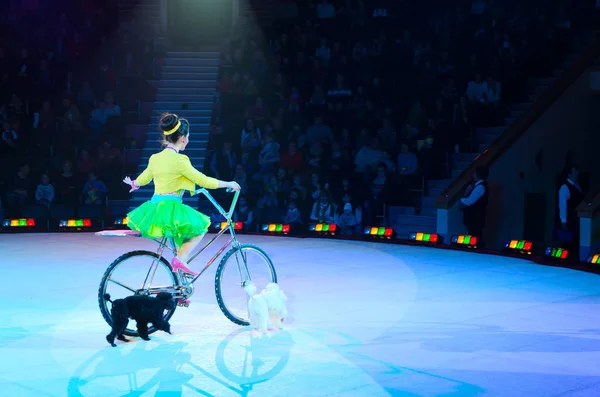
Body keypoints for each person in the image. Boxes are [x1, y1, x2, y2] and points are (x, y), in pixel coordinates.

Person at [123, 113, 240, 304]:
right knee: (200, 228)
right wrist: (229, 183)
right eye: (188, 138)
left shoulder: (155, 158)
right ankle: (180, 265)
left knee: (180, 246)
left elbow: (144, 178)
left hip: (155, 208)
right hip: (172, 209)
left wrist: (134, 183)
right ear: (183, 138)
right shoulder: (180, 160)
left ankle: (180, 292)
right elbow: (204, 180)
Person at [557, 165, 584, 262]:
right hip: (571, 220)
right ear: (569, 174)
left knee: (576, 243)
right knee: (568, 244)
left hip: (579, 219)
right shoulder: (565, 187)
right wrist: (564, 222)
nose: (577, 174)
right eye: (575, 172)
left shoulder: (577, 185)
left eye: (577, 171)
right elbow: (562, 205)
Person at [460, 166, 489, 246]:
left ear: (476, 174)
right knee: (473, 235)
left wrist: (462, 199)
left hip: (476, 217)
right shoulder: (477, 186)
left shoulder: (481, 187)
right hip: (474, 218)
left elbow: (469, 201)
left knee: (475, 237)